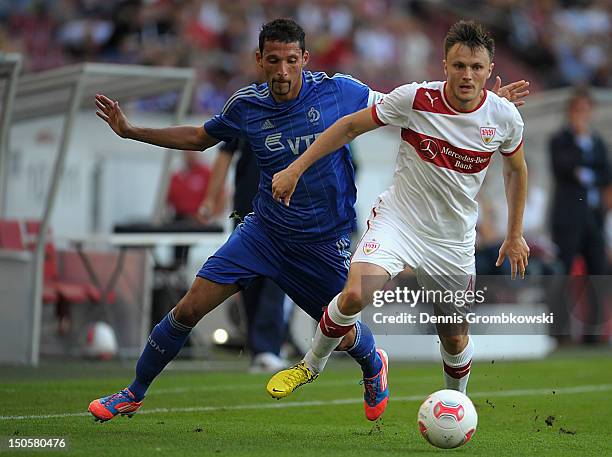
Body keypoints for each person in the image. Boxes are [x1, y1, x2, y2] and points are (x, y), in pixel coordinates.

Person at [88, 18, 529, 423]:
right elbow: (201, 137)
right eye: (273, 60)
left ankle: (374, 363)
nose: (282, 70)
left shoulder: (340, 91)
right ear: (259, 60)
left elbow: (409, 110)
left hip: (322, 240)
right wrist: (132, 131)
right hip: (264, 231)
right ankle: (133, 392)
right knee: (189, 306)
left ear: (305, 60)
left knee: (347, 326)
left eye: (291, 60)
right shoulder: (246, 105)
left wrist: (476, 107)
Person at [267, 20, 530, 405]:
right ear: (444, 66)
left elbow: (516, 169)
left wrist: (514, 232)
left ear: (489, 70)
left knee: (454, 336)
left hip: (452, 241)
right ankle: (310, 365)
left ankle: (455, 402)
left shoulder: (504, 117)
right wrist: (295, 167)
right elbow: (348, 127)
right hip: (399, 223)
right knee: (356, 293)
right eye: (459, 66)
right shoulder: (415, 99)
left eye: (476, 67)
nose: (467, 75)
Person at [198, 138, 289, 372]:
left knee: (276, 276)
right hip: (246, 206)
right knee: (248, 279)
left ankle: (267, 348)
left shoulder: (300, 105)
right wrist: (209, 199)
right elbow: (225, 152)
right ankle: (260, 349)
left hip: (285, 206)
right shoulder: (246, 106)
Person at [549, 87, 610, 343]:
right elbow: (564, 168)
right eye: (577, 110)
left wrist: (583, 172)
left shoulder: (597, 143)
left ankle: (593, 333)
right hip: (568, 218)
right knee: (562, 273)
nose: (581, 115)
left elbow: (605, 175)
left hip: (593, 218)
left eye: (585, 110)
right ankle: (560, 333)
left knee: (599, 273)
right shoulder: (560, 140)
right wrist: (585, 171)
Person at [166, 150, 220, 268]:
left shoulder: (206, 173)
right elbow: (168, 200)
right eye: (186, 153)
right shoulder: (177, 176)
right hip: (180, 220)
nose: (189, 155)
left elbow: (222, 196)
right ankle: (177, 267)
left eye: (191, 152)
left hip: (199, 219)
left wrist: (212, 216)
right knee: (178, 239)